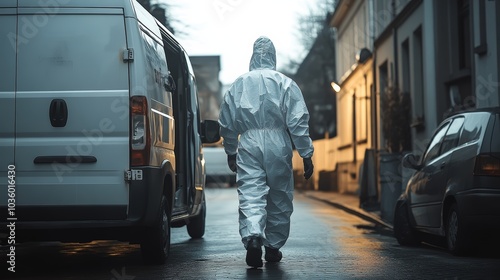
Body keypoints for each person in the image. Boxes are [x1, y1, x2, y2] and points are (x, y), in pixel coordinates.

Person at [218, 36, 314, 268]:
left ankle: (253, 236)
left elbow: (227, 123)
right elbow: (298, 121)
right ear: (273, 56)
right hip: (279, 142)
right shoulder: (285, 83)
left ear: (252, 56)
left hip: (248, 142)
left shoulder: (239, 85)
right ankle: (272, 247)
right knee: (279, 195)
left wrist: (231, 151)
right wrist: (306, 153)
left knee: (252, 193)